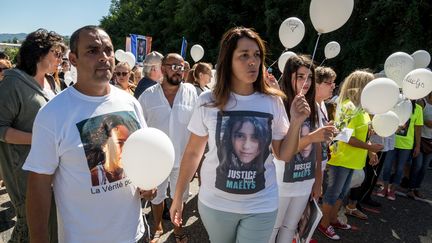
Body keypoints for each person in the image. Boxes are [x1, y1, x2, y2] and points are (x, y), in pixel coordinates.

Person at [169, 27, 310, 243]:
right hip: (216, 205)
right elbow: (192, 153)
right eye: (244, 55)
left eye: (257, 55)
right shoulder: (208, 101)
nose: (252, 61)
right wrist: (179, 195)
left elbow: (283, 154)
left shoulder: (273, 101)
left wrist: (297, 122)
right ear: (228, 60)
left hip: (262, 204)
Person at [23, 25, 155, 243]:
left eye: (108, 50)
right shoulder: (52, 114)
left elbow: (138, 155)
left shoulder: (130, 102)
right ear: (73, 59)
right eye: (92, 51)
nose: (104, 57)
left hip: (135, 234)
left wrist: (147, 183)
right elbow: (38, 185)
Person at [0, 28, 66, 243]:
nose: (61, 59)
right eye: (56, 54)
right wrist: (39, 139)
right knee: (29, 223)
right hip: (23, 170)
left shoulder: (52, 82)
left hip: (50, 168)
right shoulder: (12, 84)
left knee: (47, 223)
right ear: (39, 53)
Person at [269, 55, 336, 243]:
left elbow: (317, 147)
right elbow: (281, 151)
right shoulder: (278, 103)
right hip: (280, 180)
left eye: (310, 77)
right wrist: (312, 137)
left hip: (305, 180)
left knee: (290, 227)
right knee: (272, 227)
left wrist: (318, 180)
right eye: (300, 76)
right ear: (289, 76)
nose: (306, 82)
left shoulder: (313, 104)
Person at [138, 53, 197, 243]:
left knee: (180, 196)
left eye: (182, 67)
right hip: (157, 159)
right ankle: (157, 225)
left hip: (183, 158)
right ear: (163, 68)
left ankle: (178, 228)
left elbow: (198, 125)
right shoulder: (147, 97)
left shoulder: (191, 92)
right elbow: (140, 129)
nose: (179, 71)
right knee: (157, 197)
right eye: (174, 67)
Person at [318, 70, 383, 240]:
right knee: (333, 193)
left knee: (341, 193)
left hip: (353, 159)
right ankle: (324, 224)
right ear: (361, 87)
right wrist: (370, 147)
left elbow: (361, 135)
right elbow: (343, 136)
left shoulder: (361, 108)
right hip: (342, 158)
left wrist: (369, 151)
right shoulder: (348, 106)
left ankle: (333, 219)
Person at [407, 92, 432, 198]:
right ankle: (410, 189)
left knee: (424, 168)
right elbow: (418, 120)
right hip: (420, 139)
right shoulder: (422, 102)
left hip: (431, 141)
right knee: (417, 165)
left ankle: (417, 188)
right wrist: (426, 122)